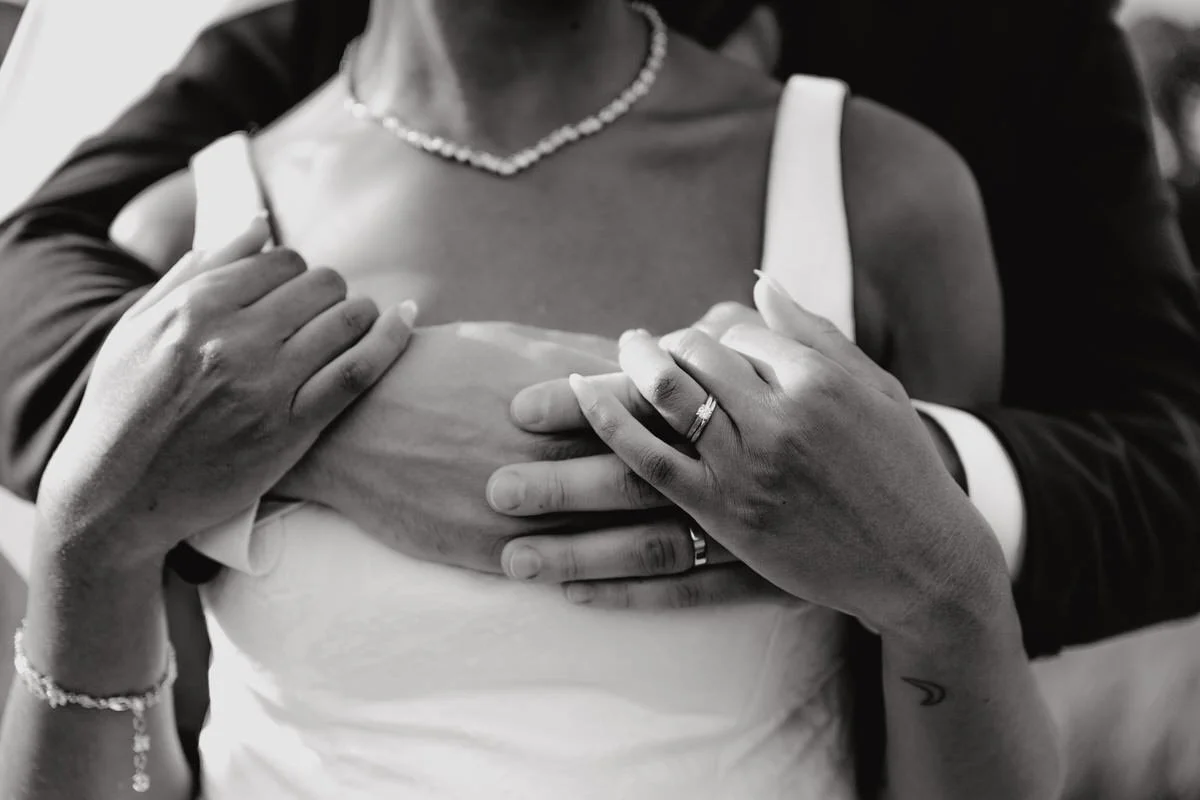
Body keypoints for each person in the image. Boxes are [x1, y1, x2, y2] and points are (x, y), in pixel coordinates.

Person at [0, 2, 1065, 798]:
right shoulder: (184, 238)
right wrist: (87, 535)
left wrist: (945, 578)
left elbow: (941, 703)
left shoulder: (879, 193)